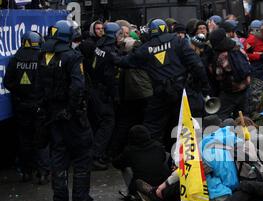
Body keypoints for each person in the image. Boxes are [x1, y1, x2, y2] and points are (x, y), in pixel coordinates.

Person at [35, 20, 101, 201]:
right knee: (82, 154)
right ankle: (80, 198)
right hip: (71, 116)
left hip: (52, 115)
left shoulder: (43, 56)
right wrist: (72, 109)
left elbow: (38, 87)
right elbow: (77, 87)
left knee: (58, 156)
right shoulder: (73, 57)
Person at [116, 19, 210, 149]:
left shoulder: (145, 48)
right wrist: (204, 88)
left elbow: (125, 62)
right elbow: (197, 65)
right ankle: (190, 159)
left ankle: (150, 159)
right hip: (182, 91)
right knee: (187, 126)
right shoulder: (178, 41)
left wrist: (110, 55)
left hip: (160, 94)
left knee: (153, 128)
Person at [3, 31, 50, 184]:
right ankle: (42, 173)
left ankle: (26, 172)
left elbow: (7, 82)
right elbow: (48, 81)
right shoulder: (42, 57)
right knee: (41, 140)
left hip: (21, 106)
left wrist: (18, 94)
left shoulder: (15, 58)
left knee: (24, 140)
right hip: (39, 106)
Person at [112, 125, 171, 201]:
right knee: (165, 155)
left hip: (140, 182)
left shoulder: (130, 150)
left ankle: (134, 193)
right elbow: (162, 158)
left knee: (124, 167)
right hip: (161, 183)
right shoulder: (157, 145)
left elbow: (116, 164)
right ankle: (155, 193)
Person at [89, 22, 121, 170]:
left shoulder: (99, 45)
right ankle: (95, 156)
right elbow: (110, 76)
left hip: (96, 89)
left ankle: (98, 154)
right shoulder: (109, 50)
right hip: (103, 92)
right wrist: (115, 95)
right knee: (107, 123)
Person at [209, 28, 250, 119]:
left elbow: (218, 75)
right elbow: (248, 63)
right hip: (245, 87)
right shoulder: (238, 48)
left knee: (222, 115)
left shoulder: (221, 56)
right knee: (243, 116)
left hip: (231, 91)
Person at [244, 20, 263, 114]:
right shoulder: (251, 39)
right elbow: (246, 55)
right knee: (256, 95)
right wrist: (259, 56)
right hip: (255, 70)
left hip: (262, 69)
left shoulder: (261, 39)